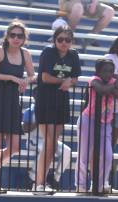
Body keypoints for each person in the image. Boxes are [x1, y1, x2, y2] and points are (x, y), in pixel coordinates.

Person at [0, 21, 35, 191]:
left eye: (20, 35)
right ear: (7, 36)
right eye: (13, 35)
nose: (16, 38)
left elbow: (33, 75)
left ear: (24, 38)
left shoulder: (25, 53)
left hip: (13, 101)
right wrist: (12, 78)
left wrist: (26, 80)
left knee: (16, 146)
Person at [34, 24, 81, 192]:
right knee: (50, 143)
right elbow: (45, 77)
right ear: (55, 40)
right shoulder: (48, 52)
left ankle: (40, 182)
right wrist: (64, 81)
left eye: (67, 40)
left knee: (52, 144)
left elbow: (75, 76)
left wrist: (70, 81)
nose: (64, 43)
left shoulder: (73, 55)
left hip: (61, 101)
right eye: (60, 39)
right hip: (46, 101)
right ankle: (39, 182)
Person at [76, 58, 118, 193]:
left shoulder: (113, 82)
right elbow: (102, 90)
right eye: (105, 71)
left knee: (107, 155)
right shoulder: (93, 80)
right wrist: (116, 82)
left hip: (105, 122)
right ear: (98, 71)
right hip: (88, 119)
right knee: (84, 154)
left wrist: (116, 82)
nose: (108, 74)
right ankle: (80, 185)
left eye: (110, 71)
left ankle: (100, 185)